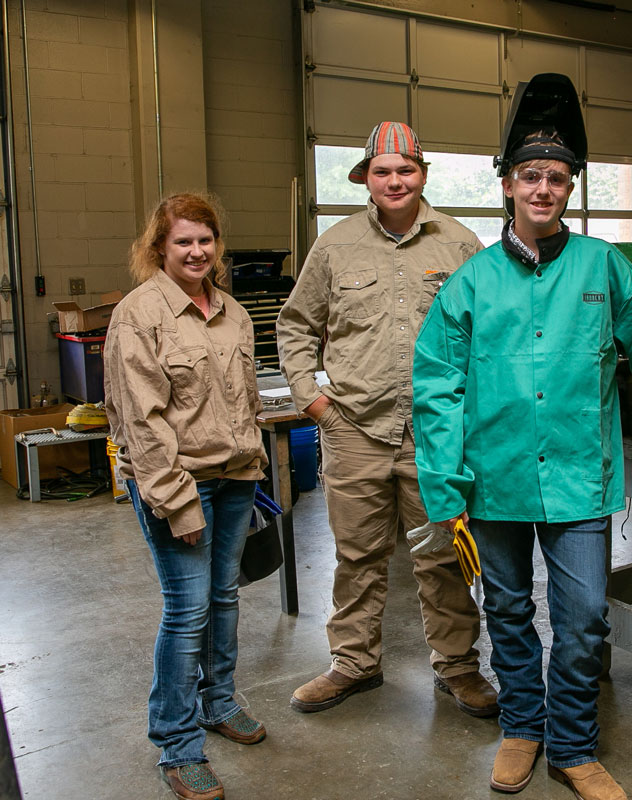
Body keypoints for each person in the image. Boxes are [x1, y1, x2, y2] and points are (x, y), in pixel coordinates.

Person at [412, 73, 632, 800]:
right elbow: (436, 385)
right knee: (506, 611)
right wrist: (444, 482)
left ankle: (573, 744)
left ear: (571, 188)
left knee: (583, 622)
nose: (543, 189)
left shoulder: (604, 267)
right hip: (495, 481)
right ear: (507, 183)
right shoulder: (470, 282)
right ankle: (522, 728)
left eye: (557, 178)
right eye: (531, 175)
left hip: (577, 479)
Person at [276, 121, 498, 717]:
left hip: (433, 434)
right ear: (366, 180)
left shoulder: (459, 245)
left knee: (442, 556)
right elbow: (295, 325)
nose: (395, 181)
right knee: (358, 556)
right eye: (383, 172)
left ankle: (458, 667)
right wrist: (313, 400)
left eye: (406, 170)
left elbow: (488, 339)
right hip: (354, 430)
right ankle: (354, 663)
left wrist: (469, 420)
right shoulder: (335, 245)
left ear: (422, 174)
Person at [105, 193, 268, 800]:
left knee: (224, 597)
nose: (197, 251)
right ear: (159, 248)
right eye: (183, 242)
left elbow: (243, 400)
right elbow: (140, 422)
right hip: (181, 482)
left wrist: (252, 466)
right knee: (188, 608)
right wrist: (177, 501)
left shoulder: (232, 312)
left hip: (235, 477)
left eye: (206, 240)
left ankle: (219, 704)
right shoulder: (139, 315)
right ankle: (177, 743)